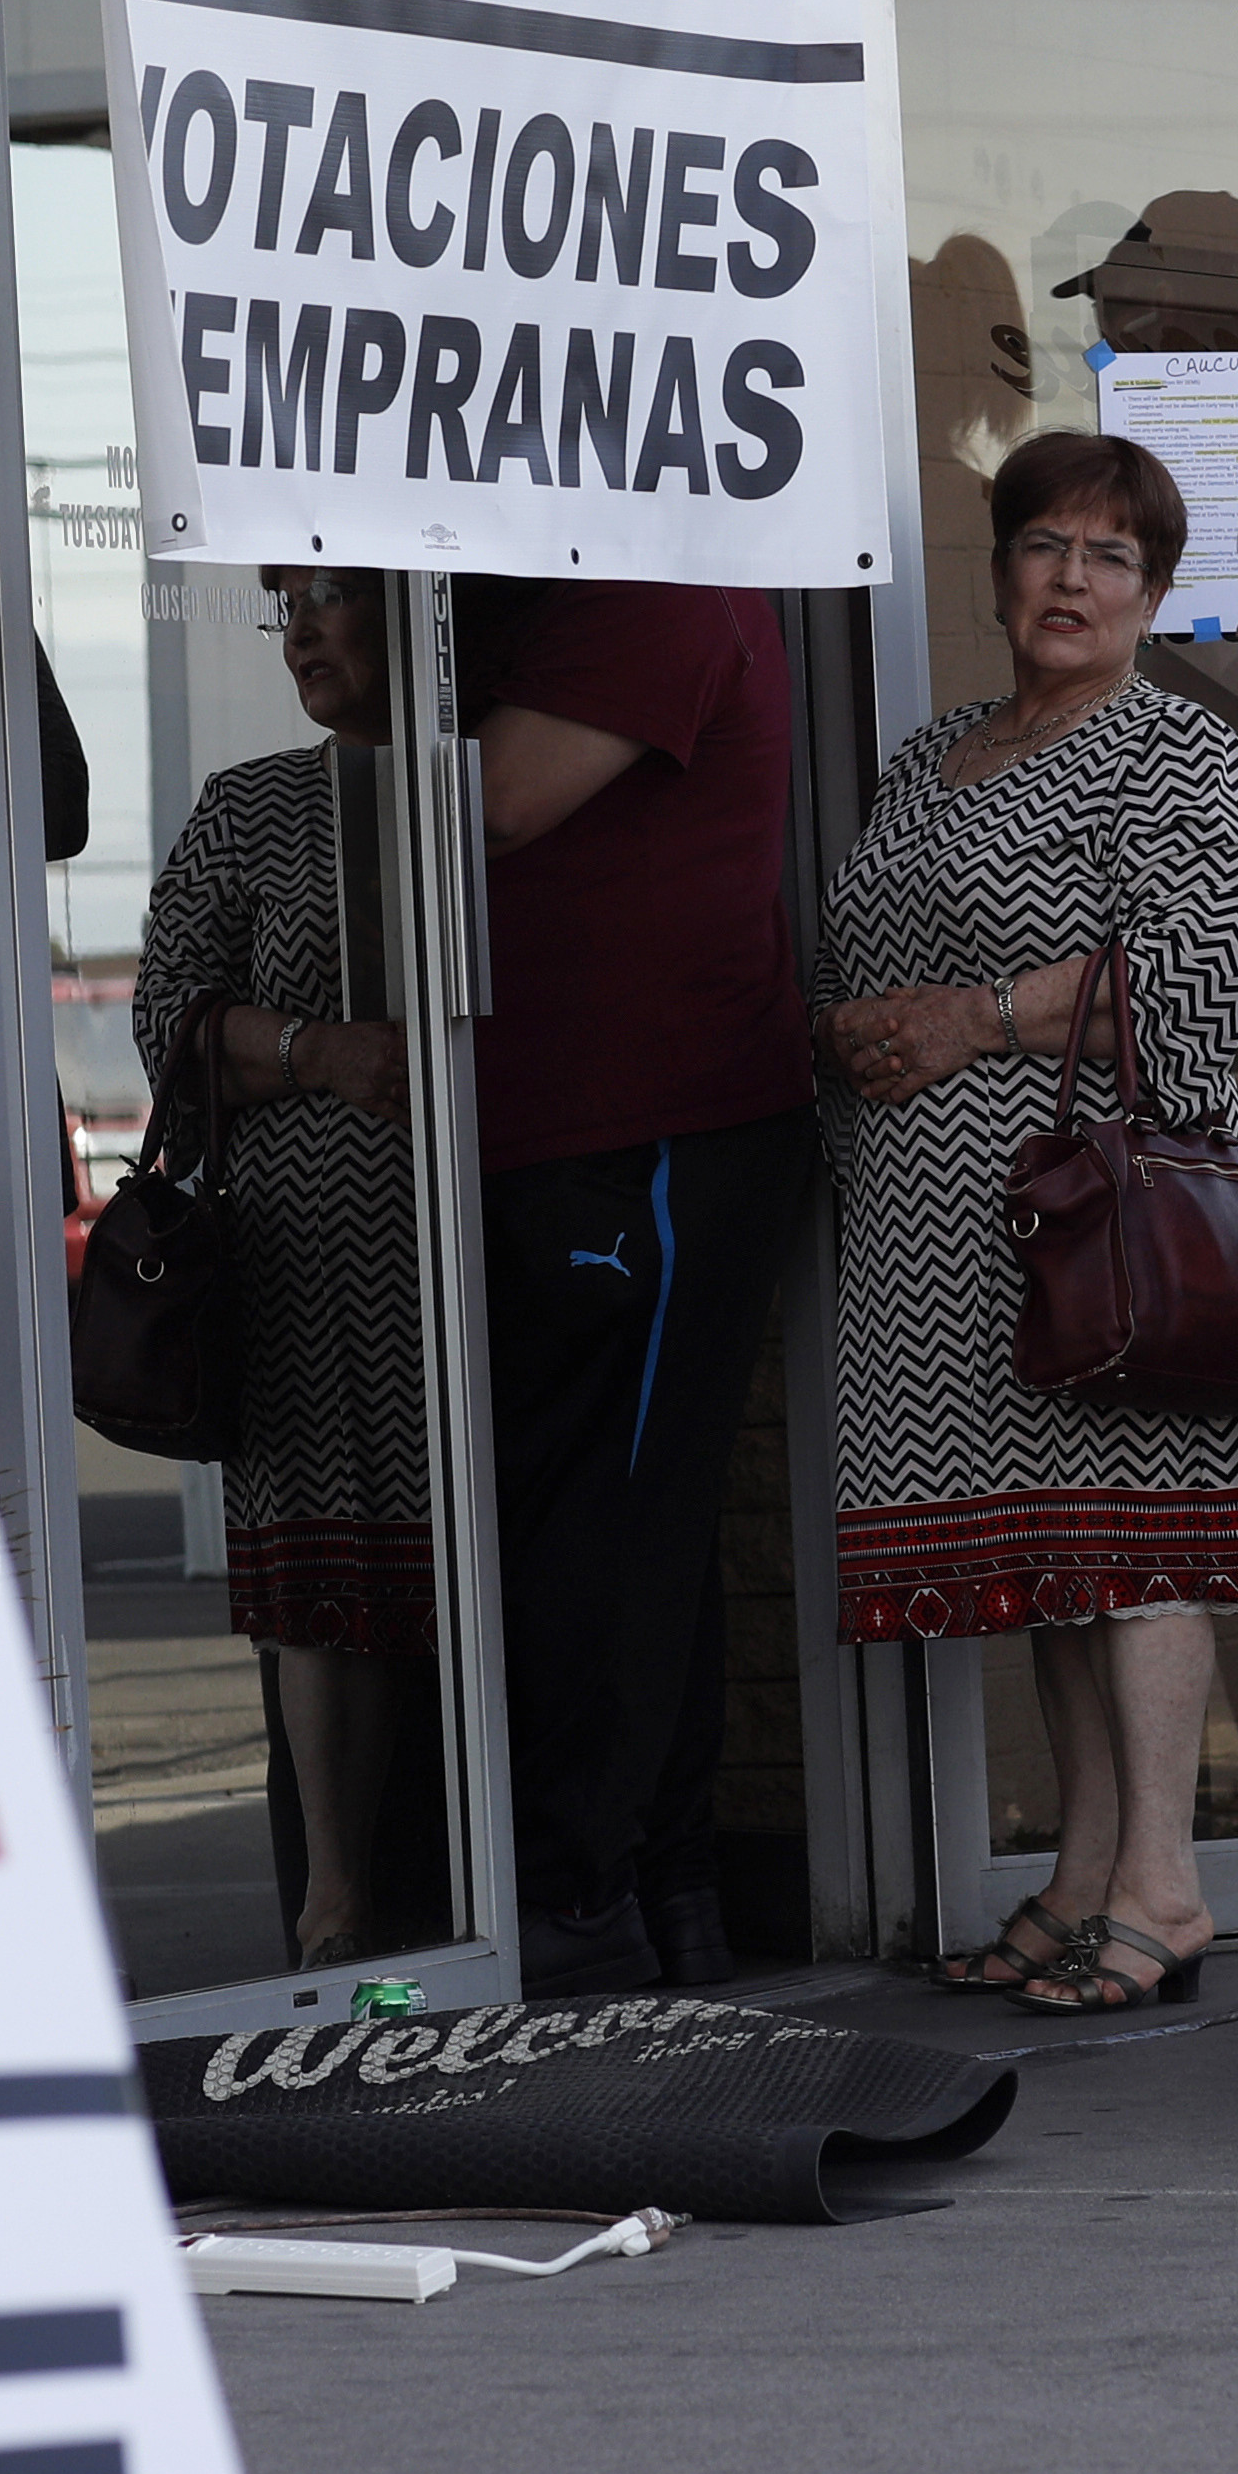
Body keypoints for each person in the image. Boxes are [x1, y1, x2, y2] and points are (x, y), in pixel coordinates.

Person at [813, 432, 1238, 2015]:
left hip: (1109, 1223)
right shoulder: (930, 751)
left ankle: (1167, 1879)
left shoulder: (1183, 753)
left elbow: (1196, 994)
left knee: (1135, 1540)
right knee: (1053, 1555)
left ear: (1152, 591)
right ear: (1000, 569)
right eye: (1043, 547)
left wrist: (971, 1019)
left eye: (1108, 556)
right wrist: (859, 1033)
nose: (1071, 579)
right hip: (939, 1234)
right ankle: (1086, 1871)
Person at [465, 574, 821, 1993]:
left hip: (645, 1129)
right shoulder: (591, 583)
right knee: (615, 1526)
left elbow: (497, 798)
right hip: (582, 1125)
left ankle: (583, 1910)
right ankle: (658, 1900)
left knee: (602, 1538)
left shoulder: (657, 571)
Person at [127, 567, 427, 1969]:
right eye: (284, 606)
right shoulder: (250, 806)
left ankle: (500, 1889)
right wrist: (319, 1052)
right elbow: (164, 1020)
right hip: (303, 1252)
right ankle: (336, 1902)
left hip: (483, 1247)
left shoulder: (496, 779)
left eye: (331, 599)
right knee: (321, 1587)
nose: (301, 630)